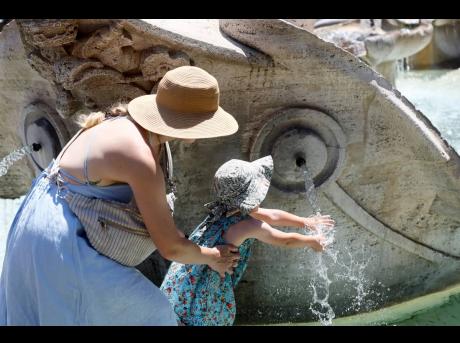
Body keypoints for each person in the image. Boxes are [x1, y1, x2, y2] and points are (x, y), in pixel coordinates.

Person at [0, 66, 241, 325]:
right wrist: (214, 257)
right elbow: (170, 247)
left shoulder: (129, 125)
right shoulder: (140, 157)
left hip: (43, 223)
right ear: (193, 125)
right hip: (60, 241)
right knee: (153, 315)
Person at [160, 155, 335, 326]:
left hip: (189, 280)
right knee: (200, 318)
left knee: (181, 314)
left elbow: (272, 215)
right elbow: (284, 241)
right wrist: (312, 241)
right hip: (205, 294)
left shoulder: (226, 209)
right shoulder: (249, 225)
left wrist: (305, 222)